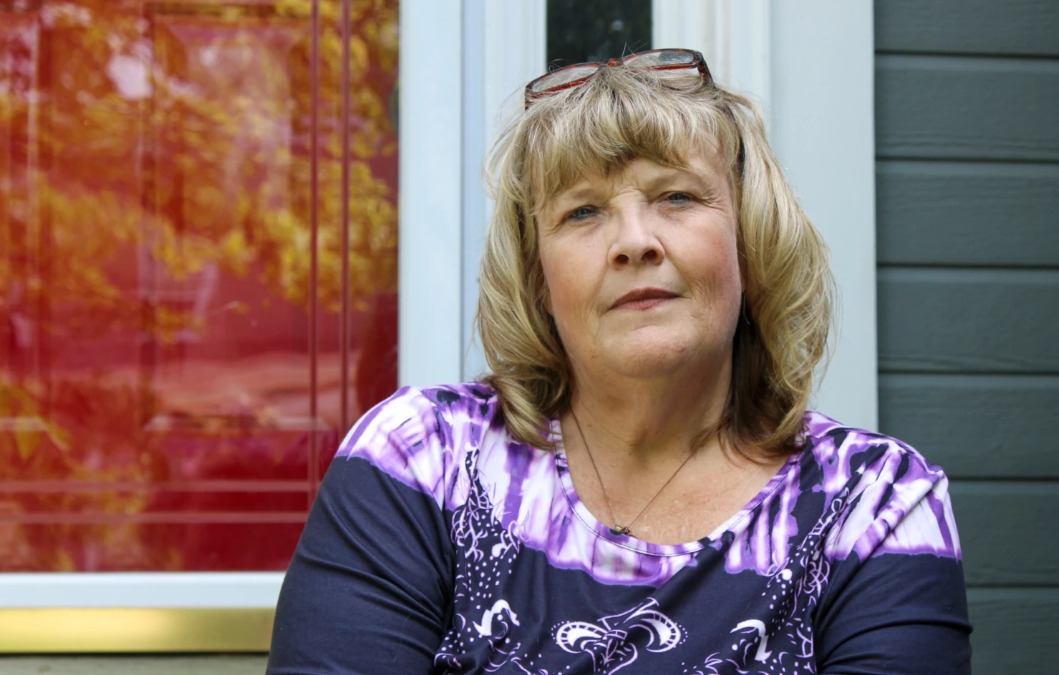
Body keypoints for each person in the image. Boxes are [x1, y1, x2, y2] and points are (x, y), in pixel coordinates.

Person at [267, 49, 971, 674]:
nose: (634, 241)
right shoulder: (423, 459)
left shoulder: (872, 502)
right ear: (537, 279)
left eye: (676, 196)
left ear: (751, 242)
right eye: (582, 212)